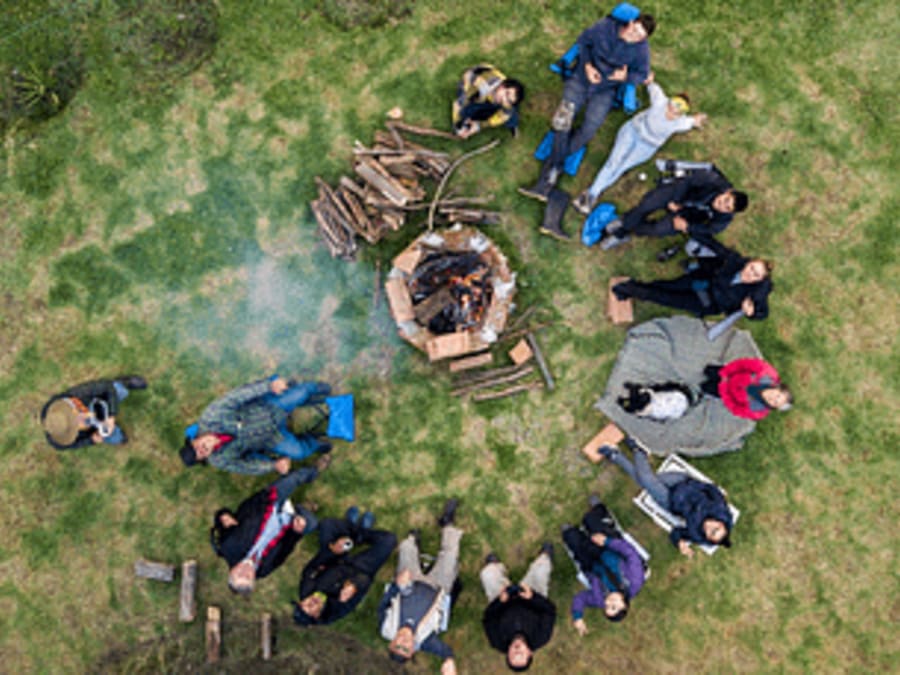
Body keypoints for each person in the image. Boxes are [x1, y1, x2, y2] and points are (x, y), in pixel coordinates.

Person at [520, 11, 655, 201]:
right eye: (634, 31)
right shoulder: (605, 27)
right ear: (631, 23)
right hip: (581, 79)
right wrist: (588, 66)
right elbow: (583, 42)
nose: (634, 37)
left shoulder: (641, 50)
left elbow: (641, 73)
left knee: (589, 129)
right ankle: (552, 174)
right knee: (562, 121)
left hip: (605, 91)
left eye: (640, 37)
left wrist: (625, 77)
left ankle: (553, 166)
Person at [573, 74, 706, 215]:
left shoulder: (681, 122)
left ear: (681, 114)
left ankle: (590, 195)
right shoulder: (660, 101)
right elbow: (651, 85)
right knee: (613, 162)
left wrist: (698, 120)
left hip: (647, 147)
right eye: (670, 108)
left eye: (676, 113)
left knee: (621, 168)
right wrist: (649, 79)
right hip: (632, 131)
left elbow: (693, 121)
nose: (671, 113)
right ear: (668, 103)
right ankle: (591, 195)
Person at [209, 459, 329, 594]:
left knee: (295, 478)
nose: (245, 571)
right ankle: (301, 508)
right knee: (312, 523)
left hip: (269, 504)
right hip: (287, 522)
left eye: (238, 574)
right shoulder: (265, 569)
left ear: (231, 572)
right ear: (254, 579)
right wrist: (295, 532)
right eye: (247, 577)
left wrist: (223, 516)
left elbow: (221, 517)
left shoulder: (229, 546)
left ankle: (314, 470)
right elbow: (285, 550)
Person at [599, 438, 733, 556]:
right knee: (646, 480)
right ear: (721, 523)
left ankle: (635, 452)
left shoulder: (697, 535)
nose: (710, 528)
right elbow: (710, 488)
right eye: (716, 528)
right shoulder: (719, 508)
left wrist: (679, 543)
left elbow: (676, 532)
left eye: (711, 533)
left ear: (707, 538)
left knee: (646, 480)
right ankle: (621, 454)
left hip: (670, 501)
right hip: (682, 482)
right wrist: (695, 485)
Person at [179, 375, 332, 474]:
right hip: (270, 438)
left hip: (269, 408)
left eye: (196, 447)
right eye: (200, 455)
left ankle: (316, 388)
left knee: (302, 393)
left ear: (194, 440)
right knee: (299, 452)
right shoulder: (219, 460)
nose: (202, 450)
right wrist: (273, 466)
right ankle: (316, 442)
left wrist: (269, 386)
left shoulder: (211, 416)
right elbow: (247, 466)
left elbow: (238, 396)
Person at [377, 499, 462, 674]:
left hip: (410, 581)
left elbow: (384, 604)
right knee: (451, 554)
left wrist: (397, 585)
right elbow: (445, 651)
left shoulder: (386, 627)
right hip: (438, 586)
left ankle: (414, 541)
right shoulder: (425, 642)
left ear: (391, 642)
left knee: (406, 546)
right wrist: (449, 660)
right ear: (413, 650)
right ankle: (447, 522)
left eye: (397, 645)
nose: (403, 642)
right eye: (406, 648)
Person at [612, 233, 773, 321]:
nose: (750, 273)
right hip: (702, 283)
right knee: (668, 286)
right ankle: (634, 287)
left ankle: (628, 289)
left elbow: (763, 313)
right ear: (748, 263)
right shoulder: (735, 261)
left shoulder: (756, 292)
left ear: (760, 280)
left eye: (756, 274)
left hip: (707, 302)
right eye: (752, 268)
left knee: (667, 298)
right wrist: (692, 229)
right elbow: (715, 246)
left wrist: (751, 312)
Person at [601, 165, 747, 248]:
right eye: (726, 200)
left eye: (727, 208)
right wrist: (675, 200)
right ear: (728, 192)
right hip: (679, 193)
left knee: (657, 230)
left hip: (687, 215)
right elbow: (686, 180)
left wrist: (688, 227)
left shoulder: (725, 218)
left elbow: (711, 229)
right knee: (647, 205)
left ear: (731, 212)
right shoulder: (713, 180)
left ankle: (627, 226)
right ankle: (622, 230)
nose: (721, 205)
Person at [294, 508, 396, 626]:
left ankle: (352, 531)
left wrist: (332, 551)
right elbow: (366, 581)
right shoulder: (336, 610)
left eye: (305, 604)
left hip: (336, 559)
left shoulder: (305, 591)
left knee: (327, 525)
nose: (311, 602)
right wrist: (354, 585)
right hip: (359, 569)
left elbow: (312, 567)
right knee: (388, 540)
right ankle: (360, 531)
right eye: (311, 609)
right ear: (317, 615)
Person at [562, 496, 646, 632]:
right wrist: (608, 541)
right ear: (624, 605)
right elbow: (630, 553)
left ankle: (573, 532)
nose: (608, 602)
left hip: (592, 564)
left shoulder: (599, 600)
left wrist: (577, 616)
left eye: (607, 607)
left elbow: (581, 598)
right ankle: (599, 509)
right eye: (614, 606)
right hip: (609, 549)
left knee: (570, 536)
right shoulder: (635, 580)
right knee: (591, 520)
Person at [481, 543, 556, 672]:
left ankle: (495, 565)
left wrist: (500, 601)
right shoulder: (542, 637)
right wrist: (533, 597)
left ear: (507, 654)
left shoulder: (497, 641)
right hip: (530, 595)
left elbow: (488, 617)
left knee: (487, 574)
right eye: (521, 654)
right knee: (541, 568)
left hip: (505, 598)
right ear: (529, 653)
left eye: (513, 655)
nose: (517, 650)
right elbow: (549, 611)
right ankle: (544, 556)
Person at [41, 375, 147, 449]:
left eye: (77, 417)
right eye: (76, 426)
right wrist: (92, 440)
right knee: (116, 438)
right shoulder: (59, 442)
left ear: (74, 406)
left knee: (118, 391)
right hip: (95, 428)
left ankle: (123, 383)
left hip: (97, 402)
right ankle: (117, 434)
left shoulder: (79, 393)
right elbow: (76, 444)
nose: (83, 422)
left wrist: (111, 415)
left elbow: (107, 388)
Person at [701, 358, 792, 420]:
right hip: (729, 373)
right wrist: (725, 373)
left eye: (775, 402)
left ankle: (708, 390)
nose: (772, 398)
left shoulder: (756, 411)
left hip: (726, 392)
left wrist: (723, 389)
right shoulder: (766, 372)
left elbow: (735, 408)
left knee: (704, 387)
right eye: (777, 395)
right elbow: (742, 364)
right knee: (707, 370)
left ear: (772, 407)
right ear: (778, 388)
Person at [452, 65, 525, 139]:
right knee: (465, 112)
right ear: (502, 85)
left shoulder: (505, 102)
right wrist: (458, 126)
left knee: (511, 111)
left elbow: (503, 116)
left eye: (509, 100)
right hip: (474, 91)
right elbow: (458, 104)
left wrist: (479, 126)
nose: (504, 99)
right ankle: (465, 124)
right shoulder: (481, 84)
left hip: (490, 96)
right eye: (506, 93)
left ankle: (512, 124)